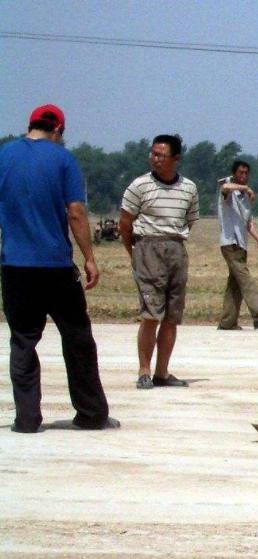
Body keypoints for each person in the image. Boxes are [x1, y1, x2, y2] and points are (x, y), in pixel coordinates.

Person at [0, 104, 116, 432]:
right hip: (55, 267)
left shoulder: (4, 156)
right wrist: (89, 258)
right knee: (77, 337)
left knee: (23, 341)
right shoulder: (63, 159)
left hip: (15, 266)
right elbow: (76, 212)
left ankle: (26, 419)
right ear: (58, 130)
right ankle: (92, 414)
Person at [119, 133, 199, 389]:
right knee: (151, 314)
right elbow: (125, 222)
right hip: (147, 247)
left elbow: (189, 220)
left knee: (172, 316)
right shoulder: (139, 186)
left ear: (175, 158)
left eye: (160, 155)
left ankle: (162, 373)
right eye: (152, 154)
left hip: (176, 248)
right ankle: (144, 370)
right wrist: (135, 252)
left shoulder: (189, 188)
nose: (154, 159)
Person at [216, 159, 258, 330]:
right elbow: (225, 188)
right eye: (241, 173)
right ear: (234, 174)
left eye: (246, 173)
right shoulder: (228, 190)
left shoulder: (244, 197)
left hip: (241, 244)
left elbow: (248, 223)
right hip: (229, 242)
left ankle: (228, 321)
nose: (244, 176)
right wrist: (244, 188)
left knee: (235, 284)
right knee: (245, 279)